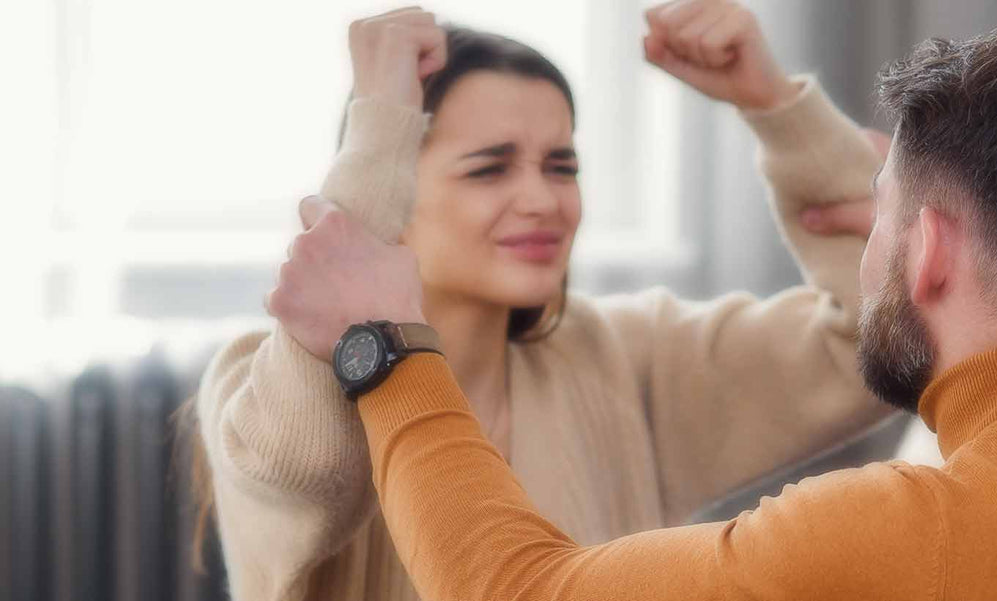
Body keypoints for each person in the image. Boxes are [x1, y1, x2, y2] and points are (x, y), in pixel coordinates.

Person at [272, 18, 997, 601]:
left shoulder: (897, 533)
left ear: (926, 252)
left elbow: (516, 593)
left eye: (881, 219)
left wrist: (383, 349)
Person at [192, 2, 895, 600]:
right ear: (394, 191)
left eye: (562, 166)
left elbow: (867, 347)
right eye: (490, 167)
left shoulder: (616, 354)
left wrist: (772, 102)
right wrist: (376, 133)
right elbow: (312, 463)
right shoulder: (258, 382)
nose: (542, 200)